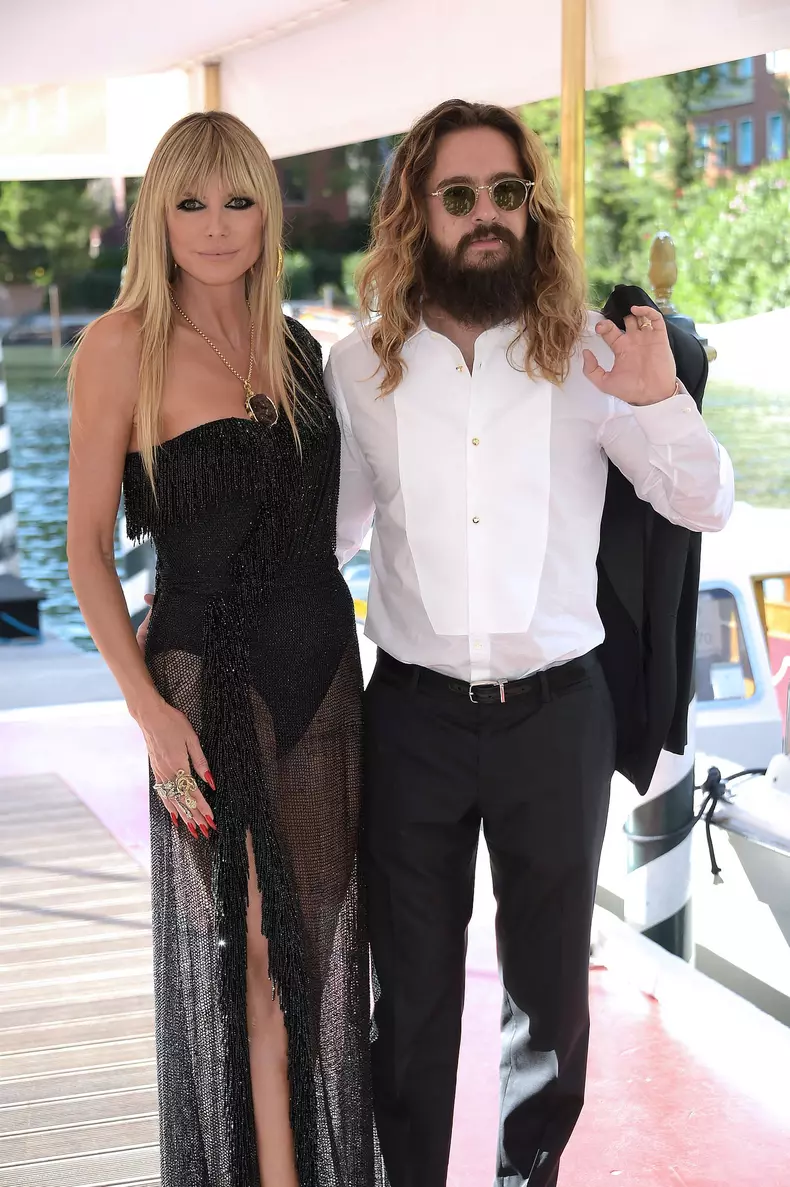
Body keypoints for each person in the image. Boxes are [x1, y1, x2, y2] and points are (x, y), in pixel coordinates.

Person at [325, 99, 734, 1187]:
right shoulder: (356, 368)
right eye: (458, 196)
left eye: (506, 192)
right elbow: (332, 538)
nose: (485, 216)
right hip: (410, 715)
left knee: (548, 997)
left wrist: (660, 402)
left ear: (532, 207)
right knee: (407, 993)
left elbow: (705, 503)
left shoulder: (592, 357)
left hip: (558, 715)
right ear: (417, 210)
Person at [67, 111, 383, 1187]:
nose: (214, 226)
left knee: (324, 953)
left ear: (268, 212)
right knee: (245, 953)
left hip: (327, 683)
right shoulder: (118, 346)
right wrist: (148, 711)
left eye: (237, 200)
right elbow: (85, 551)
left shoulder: (299, 348)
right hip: (203, 689)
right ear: (156, 212)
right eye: (190, 201)